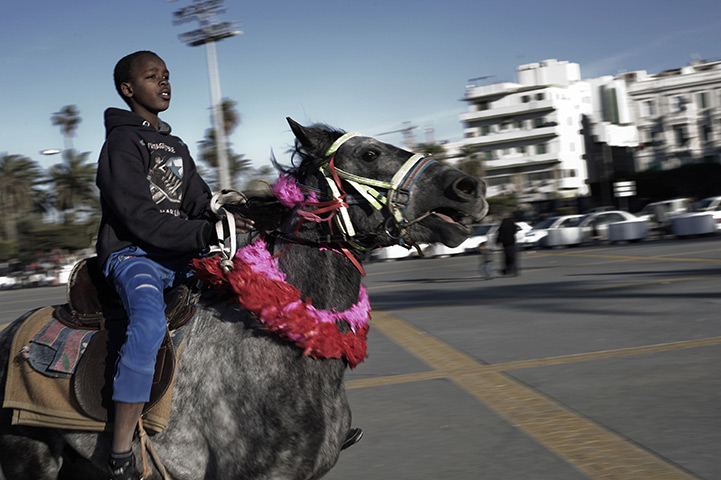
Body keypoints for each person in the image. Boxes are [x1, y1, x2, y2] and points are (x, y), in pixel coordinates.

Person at [96, 50, 253, 479]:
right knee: (147, 325)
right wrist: (202, 235)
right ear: (128, 90)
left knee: (255, 294)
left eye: (166, 76)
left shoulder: (176, 146)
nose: (164, 83)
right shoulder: (121, 143)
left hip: (180, 254)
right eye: (152, 77)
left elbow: (199, 202)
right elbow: (136, 216)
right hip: (134, 255)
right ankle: (122, 448)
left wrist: (231, 212)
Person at [497, 212, 520, 276]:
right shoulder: (512, 222)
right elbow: (515, 230)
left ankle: (507, 270)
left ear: (504, 216)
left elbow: (500, 234)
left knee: (507, 257)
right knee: (513, 257)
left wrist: (498, 241)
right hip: (512, 242)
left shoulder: (503, 224)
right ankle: (514, 270)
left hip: (505, 243)